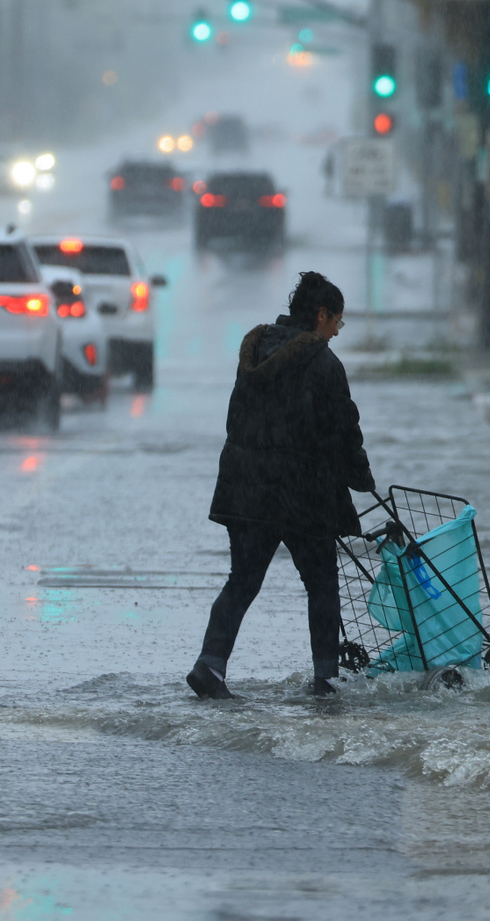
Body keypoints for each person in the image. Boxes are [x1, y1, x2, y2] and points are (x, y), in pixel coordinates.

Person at [188, 271, 375, 699]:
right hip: (300, 494)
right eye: (336, 323)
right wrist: (361, 477)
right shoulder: (324, 364)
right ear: (322, 315)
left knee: (243, 579)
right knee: (322, 583)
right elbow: (343, 430)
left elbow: (238, 421)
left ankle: (209, 665)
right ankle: (326, 679)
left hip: (246, 487)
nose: (336, 333)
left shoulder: (254, 353)